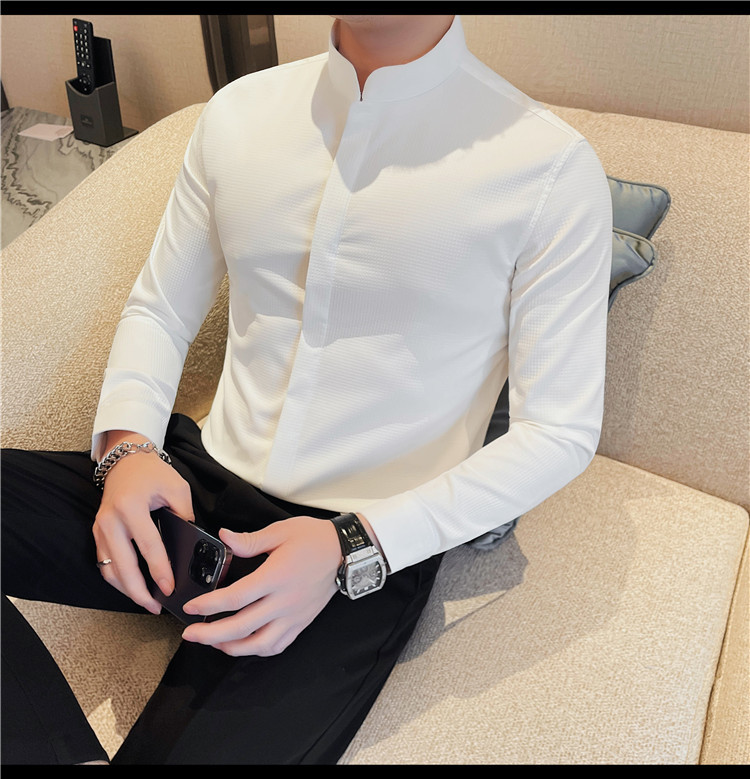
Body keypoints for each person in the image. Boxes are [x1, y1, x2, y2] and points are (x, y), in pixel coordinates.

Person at [1, 14, 612, 764]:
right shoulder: (239, 113)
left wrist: (353, 545)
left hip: (356, 544)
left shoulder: (549, 168)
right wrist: (125, 450)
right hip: (189, 485)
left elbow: (559, 431)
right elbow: (160, 308)